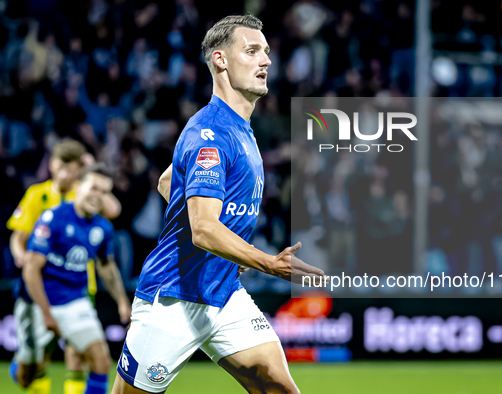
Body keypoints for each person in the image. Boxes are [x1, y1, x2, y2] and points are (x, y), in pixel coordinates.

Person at [112, 14, 324, 394]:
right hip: (175, 296)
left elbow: (168, 182)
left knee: (279, 388)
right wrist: (266, 262)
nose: (266, 61)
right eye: (252, 50)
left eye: (267, 52)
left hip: (224, 294)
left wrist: (226, 253)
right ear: (220, 59)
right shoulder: (209, 133)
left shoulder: (240, 129)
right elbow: (205, 228)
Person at [7, 139, 121, 394]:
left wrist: (93, 172)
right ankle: (22, 366)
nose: (66, 173)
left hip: (79, 286)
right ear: (53, 166)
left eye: (73, 168)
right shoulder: (38, 194)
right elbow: (18, 234)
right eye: (62, 167)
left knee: (82, 352)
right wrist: (20, 254)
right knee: (38, 362)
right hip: (41, 285)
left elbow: (113, 210)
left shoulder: (85, 191)